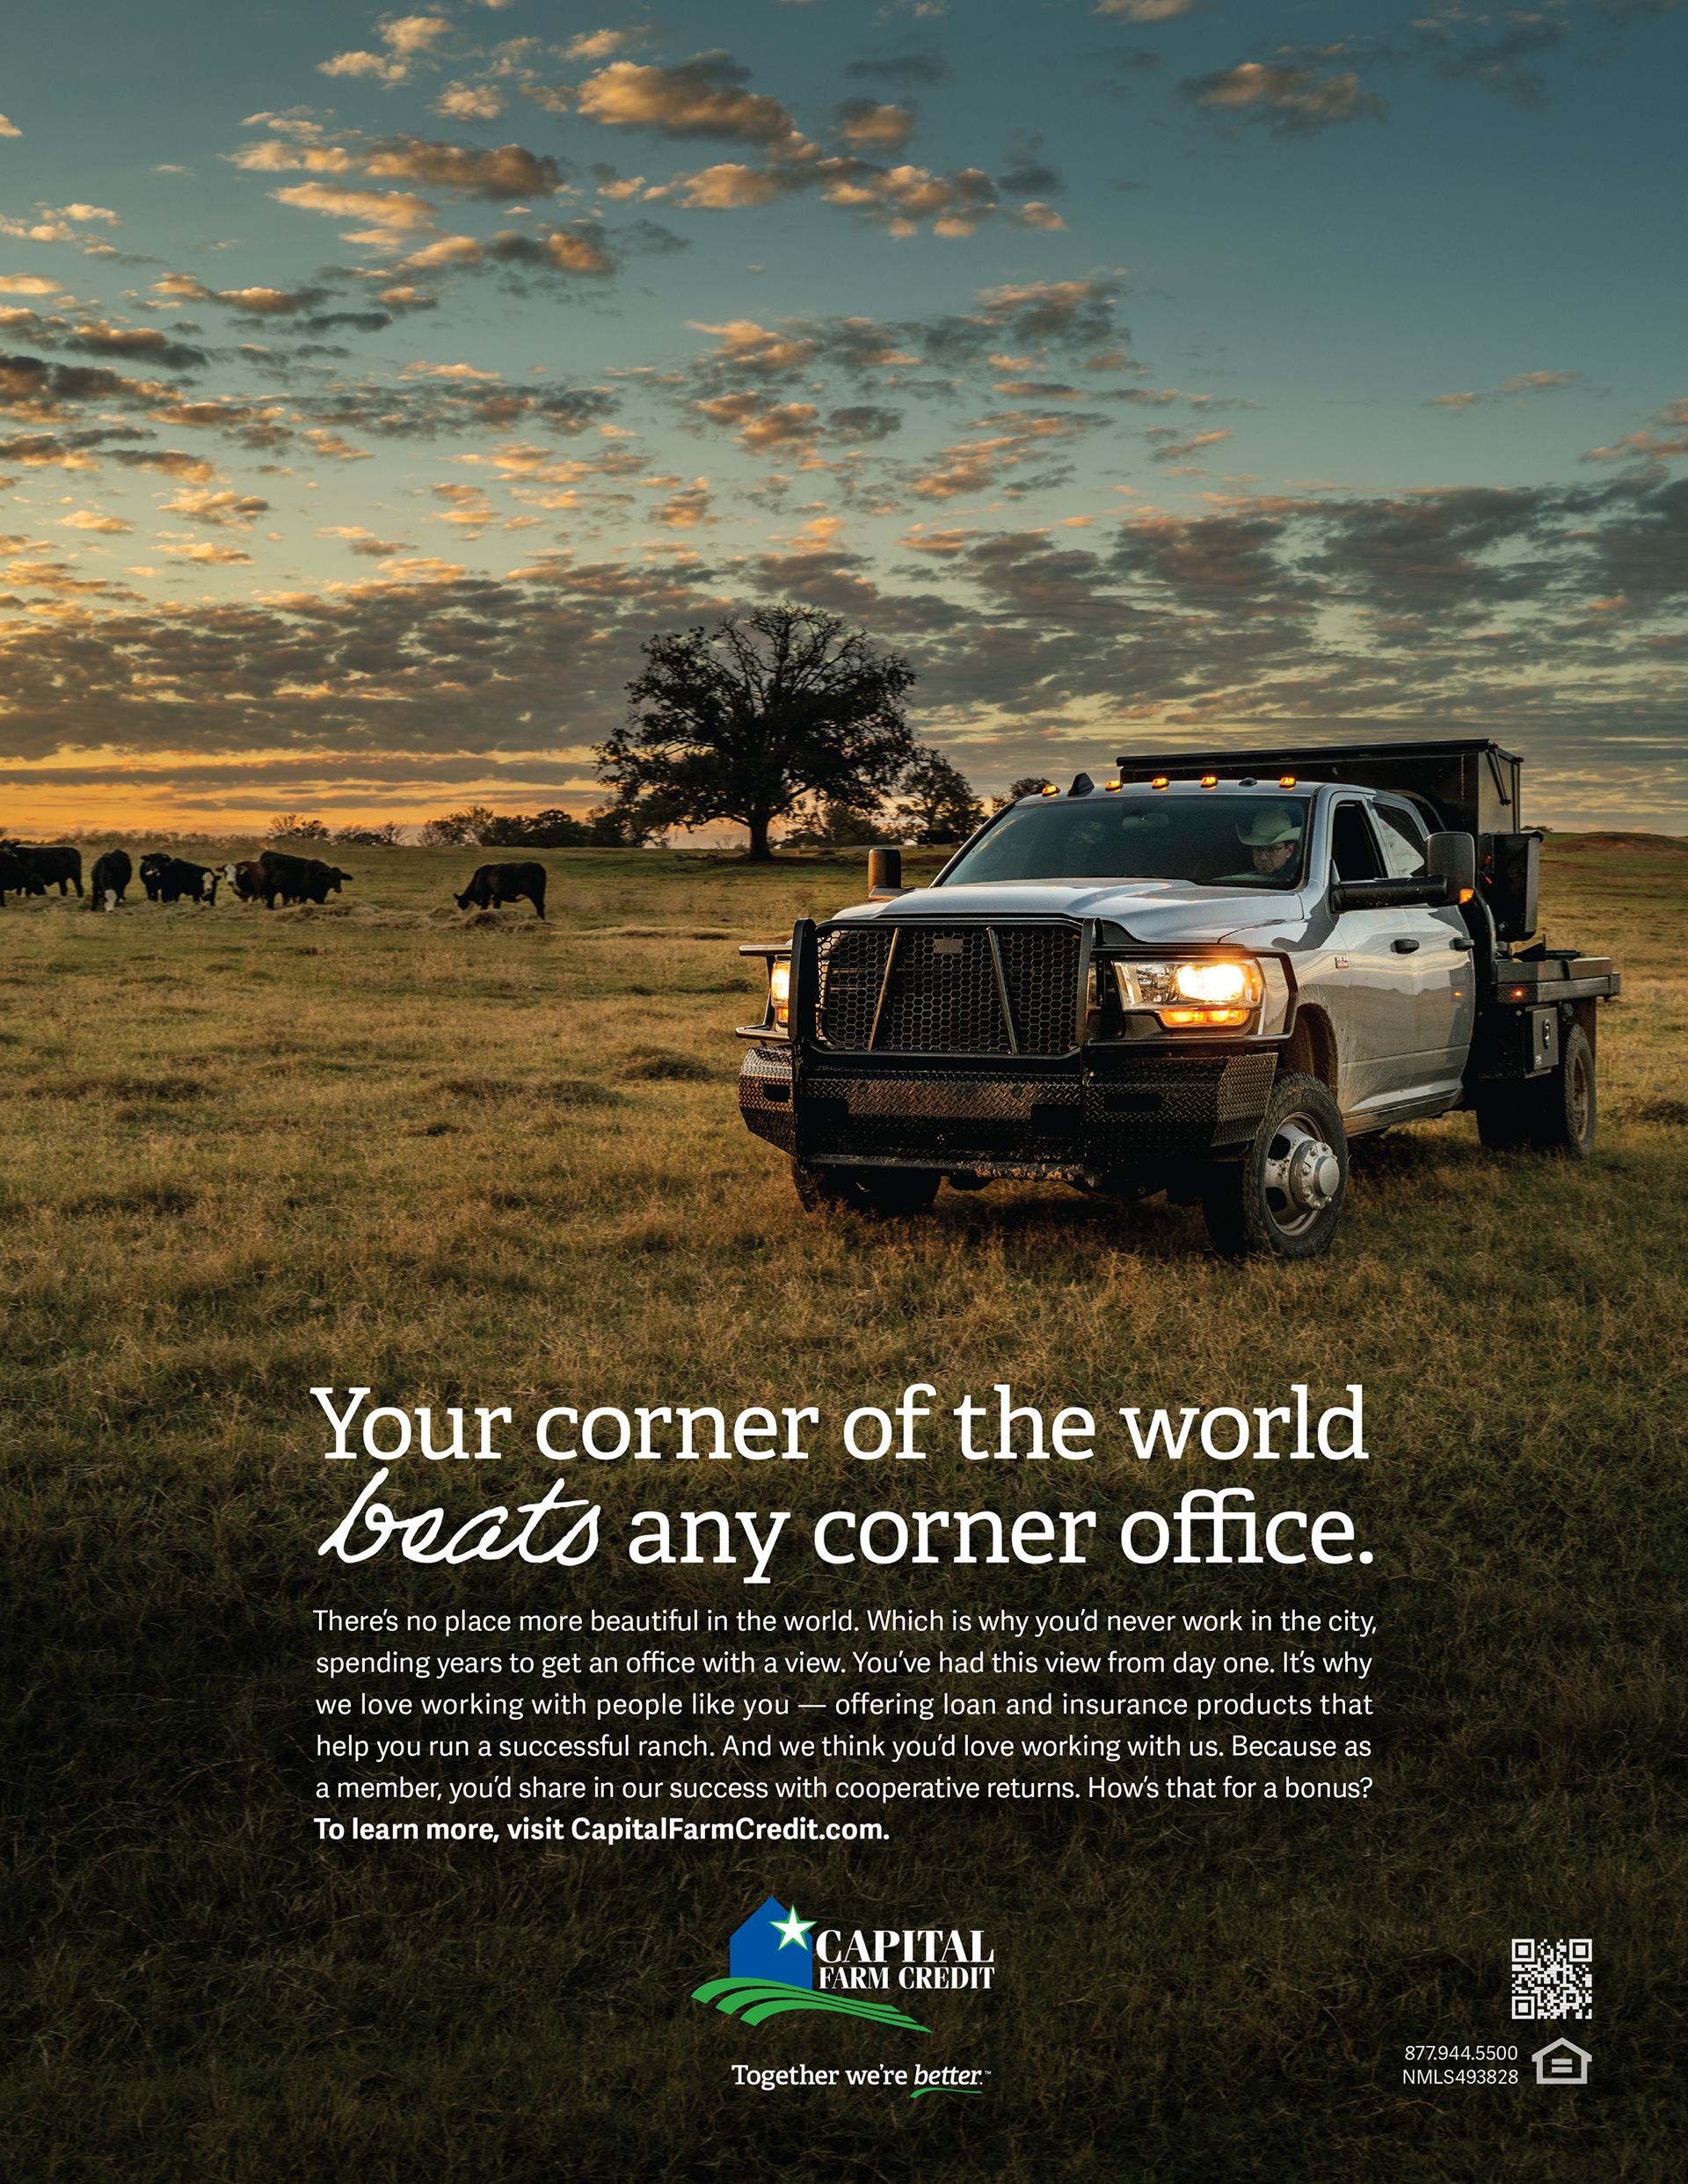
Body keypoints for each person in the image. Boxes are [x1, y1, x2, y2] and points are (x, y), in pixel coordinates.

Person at [1233, 804, 1304, 881]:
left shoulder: (1300, 879)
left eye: (1271, 850)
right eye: (1258, 850)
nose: (1263, 857)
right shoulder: (1242, 878)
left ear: (1289, 851)